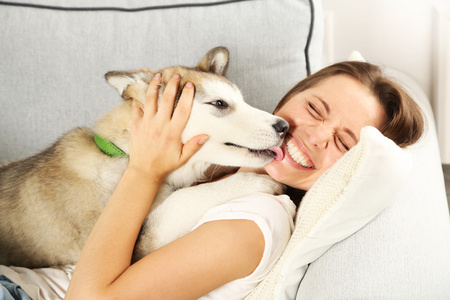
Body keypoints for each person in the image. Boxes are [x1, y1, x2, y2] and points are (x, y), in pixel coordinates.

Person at [65, 61, 423, 300]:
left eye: (344, 143)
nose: (315, 136)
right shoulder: (216, 167)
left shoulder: (255, 220)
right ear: (289, 97)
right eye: (314, 109)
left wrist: (144, 171)